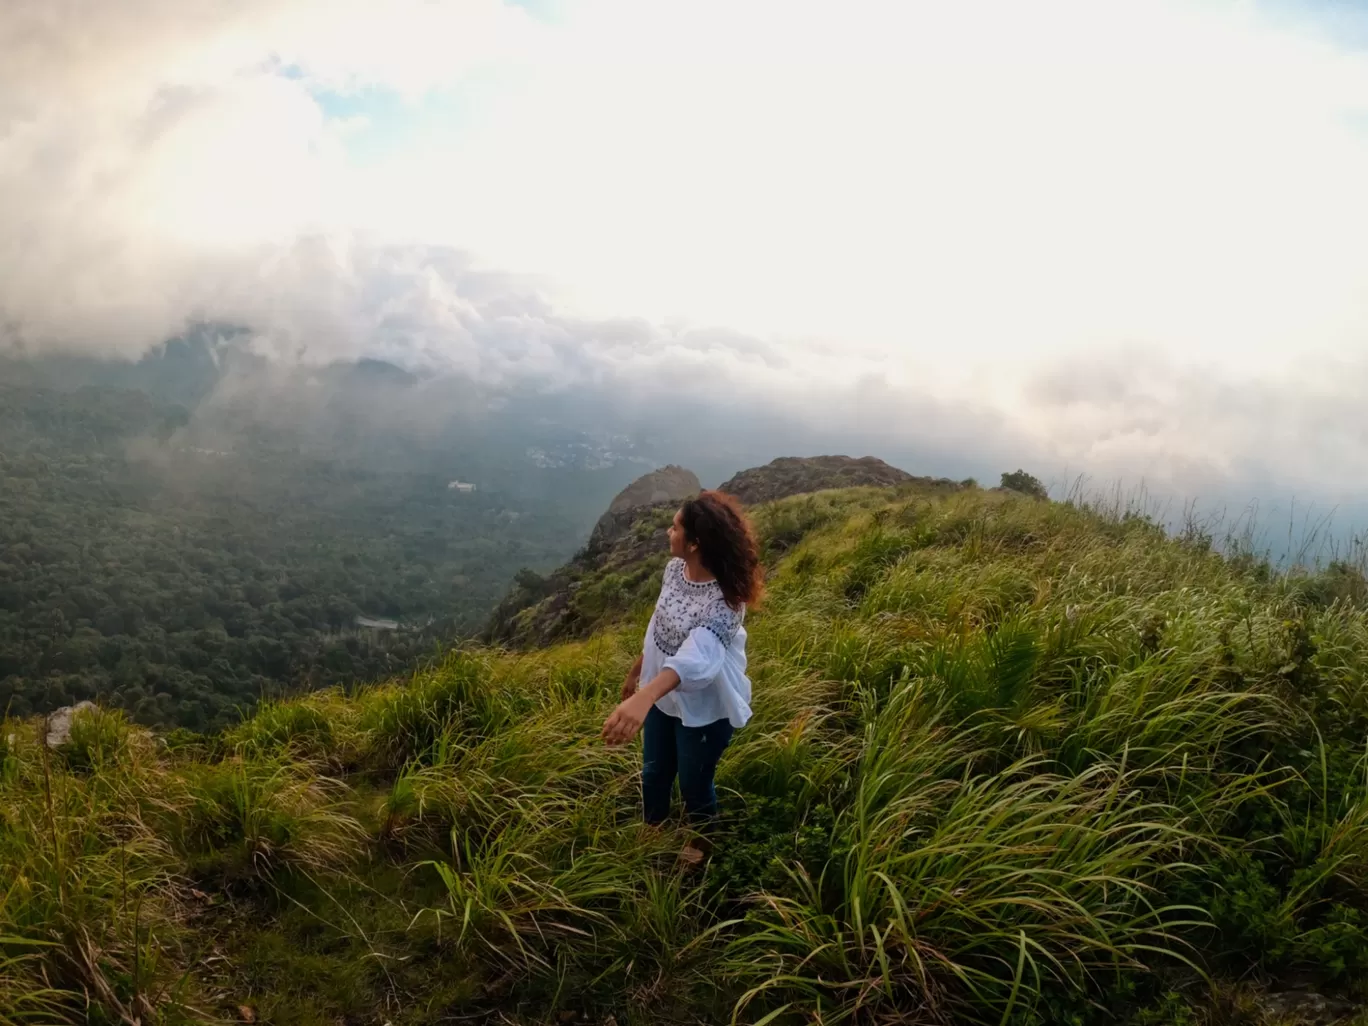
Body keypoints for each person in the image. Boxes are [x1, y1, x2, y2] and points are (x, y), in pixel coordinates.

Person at [600, 490, 763, 850]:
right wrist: (637, 673)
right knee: (654, 772)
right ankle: (653, 833)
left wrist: (645, 695)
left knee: (694, 784)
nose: (667, 532)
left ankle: (700, 844)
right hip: (661, 699)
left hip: (705, 709)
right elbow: (659, 628)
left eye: (675, 528)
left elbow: (695, 659)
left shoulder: (727, 602)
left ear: (695, 543)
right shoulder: (674, 571)